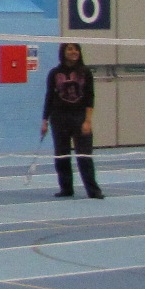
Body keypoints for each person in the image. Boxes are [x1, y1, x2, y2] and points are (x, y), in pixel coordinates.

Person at [40, 41, 103, 200]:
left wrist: (88, 120)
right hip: (59, 118)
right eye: (70, 49)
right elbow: (49, 97)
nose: (73, 52)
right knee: (62, 155)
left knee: (85, 155)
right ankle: (66, 188)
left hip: (79, 117)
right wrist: (45, 120)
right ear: (63, 52)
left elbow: (90, 97)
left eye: (76, 49)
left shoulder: (85, 72)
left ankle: (93, 191)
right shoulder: (54, 73)